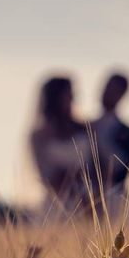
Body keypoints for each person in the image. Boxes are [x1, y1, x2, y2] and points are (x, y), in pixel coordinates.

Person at [29, 76, 91, 219]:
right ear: (55, 98)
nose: (73, 97)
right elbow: (43, 175)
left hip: (89, 202)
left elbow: (95, 167)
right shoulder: (39, 135)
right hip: (55, 206)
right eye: (68, 93)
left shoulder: (85, 129)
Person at [91, 73, 129, 217]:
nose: (106, 93)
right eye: (106, 87)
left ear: (122, 95)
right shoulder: (83, 127)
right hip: (81, 201)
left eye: (113, 90)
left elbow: (127, 170)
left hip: (114, 202)